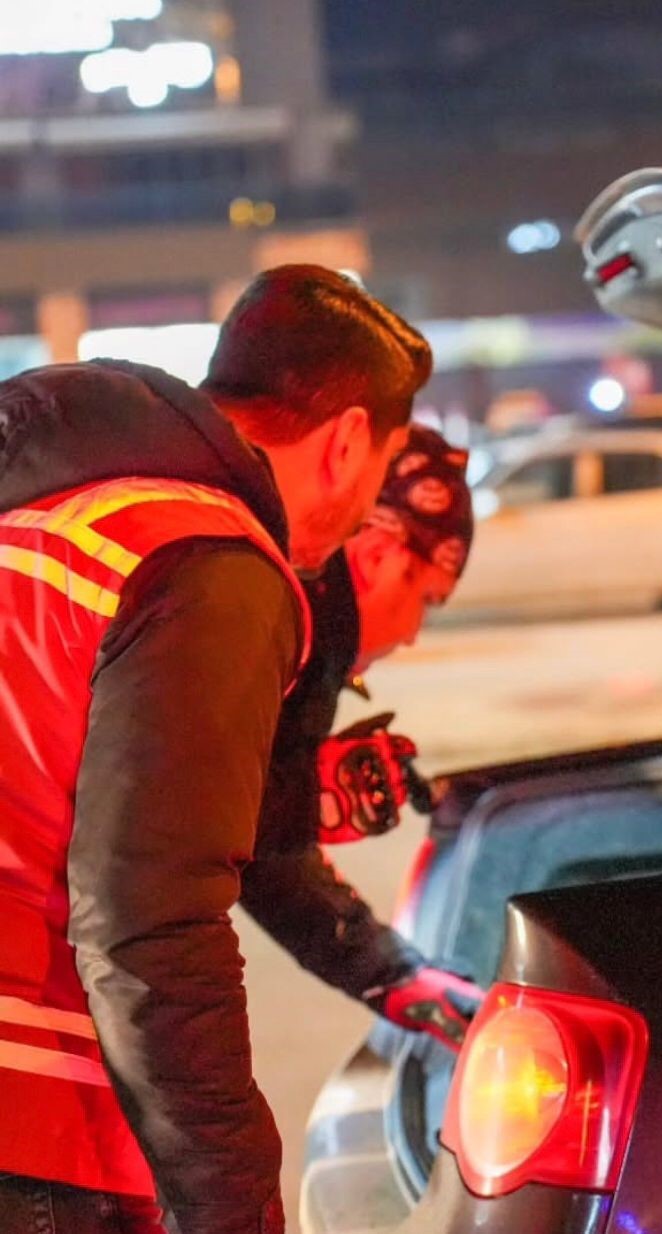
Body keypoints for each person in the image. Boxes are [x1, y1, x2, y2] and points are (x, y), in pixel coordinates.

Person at [0, 265, 428, 1234]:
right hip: (28, 1119)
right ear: (349, 440)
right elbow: (151, 926)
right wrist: (231, 1211)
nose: (362, 514)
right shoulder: (208, 560)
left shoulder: (56, 516)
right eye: (377, 477)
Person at [240, 428, 482, 1044]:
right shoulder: (265, 611)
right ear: (378, 553)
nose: (414, 635)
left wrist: (396, 977)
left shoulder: (310, 630)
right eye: (427, 598)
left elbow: (263, 860)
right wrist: (304, 794)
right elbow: (149, 805)